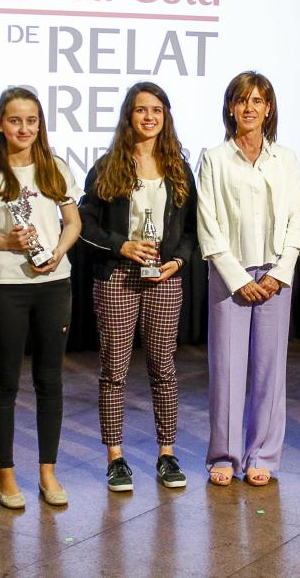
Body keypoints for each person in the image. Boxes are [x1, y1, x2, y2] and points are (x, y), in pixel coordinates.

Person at [79, 82, 198, 492]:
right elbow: (85, 225)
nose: (149, 117)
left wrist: (177, 261)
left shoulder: (179, 168)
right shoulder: (108, 166)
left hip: (164, 279)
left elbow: (190, 230)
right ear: (129, 116)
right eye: (141, 110)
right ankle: (116, 458)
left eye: (157, 111)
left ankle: (167, 453)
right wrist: (122, 245)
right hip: (116, 277)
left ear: (166, 117)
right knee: (114, 370)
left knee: (163, 369)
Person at [0, 87, 82, 508]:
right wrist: (5, 241)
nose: (24, 128)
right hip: (7, 287)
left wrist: (57, 252)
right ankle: (5, 475)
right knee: (5, 383)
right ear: (1, 123)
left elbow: (72, 222)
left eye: (31, 120)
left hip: (55, 284)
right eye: (15, 120)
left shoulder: (55, 168)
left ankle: (47, 474)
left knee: (50, 380)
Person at [197, 71, 300, 488]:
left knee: (269, 370)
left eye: (257, 101)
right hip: (230, 275)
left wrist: (280, 274)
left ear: (269, 108)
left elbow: (298, 219)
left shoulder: (287, 159)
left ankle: (261, 455)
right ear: (230, 107)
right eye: (242, 100)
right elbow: (208, 225)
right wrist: (237, 277)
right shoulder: (214, 158)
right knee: (225, 369)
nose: (249, 108)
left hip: (275, 275)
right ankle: (224, 455)